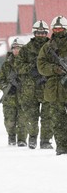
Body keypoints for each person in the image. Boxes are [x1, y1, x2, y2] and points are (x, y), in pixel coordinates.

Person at [14, 20, 53, 149]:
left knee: (47, 116)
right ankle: (32, 138)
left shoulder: (52, 47)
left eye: (43, 33)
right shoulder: (26, 49)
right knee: (31, 116)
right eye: (38, 32)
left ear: (46, 33)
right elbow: (17, 66)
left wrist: (45, 69)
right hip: (30, 88)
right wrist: (31, 68)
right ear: (34, 33)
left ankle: (45, 140)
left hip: (47, 87)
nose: (41, 35)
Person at [37, 15, 67, 155]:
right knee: (57, 120)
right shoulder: (47, 47)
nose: (58, 30)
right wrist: (54, 69)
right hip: (54, 88)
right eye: (55, 28)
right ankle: (61, 146)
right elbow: (41, 65)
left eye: (60, 28)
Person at [0, 38, 27, 146]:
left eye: (18, 48)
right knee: (9, 121)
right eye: (14, 48)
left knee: (22, 120)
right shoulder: (6, 65)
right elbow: (0, 79)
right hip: (9, 98)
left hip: (23, 96)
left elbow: (31, 79)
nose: (16, 50)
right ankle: (11, 136)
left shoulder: (27, 63)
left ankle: (22, 140)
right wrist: (7, 88)